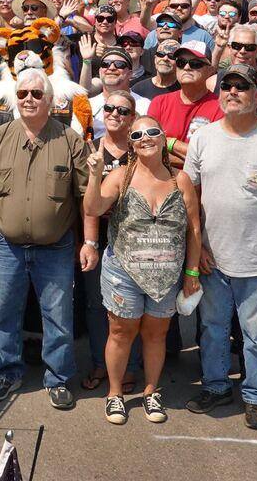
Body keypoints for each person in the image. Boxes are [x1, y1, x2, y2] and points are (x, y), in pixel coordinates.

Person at [182, 63, 257, 431]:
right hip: (212, 258)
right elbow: (191, 196)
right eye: (227, 86)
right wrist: (196, 248)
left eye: (241, 87)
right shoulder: (203, 138)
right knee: (213, 329)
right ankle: (217, 386)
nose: (233, 92)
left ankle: (255, 395)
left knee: (255, 336)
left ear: (255, 95)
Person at [0, 68, 91, 410]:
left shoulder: (70, 141)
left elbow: (85, 197)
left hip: (55, 249)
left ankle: (58, 378)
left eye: (36, 95)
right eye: (23, 94)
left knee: (57, 316)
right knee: (1, 313)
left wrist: (89, 242)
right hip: (6, 246)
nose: (28, 99)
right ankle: (7, 371)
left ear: (50, 101)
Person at [81, 116, 202, 425]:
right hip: (123, 273)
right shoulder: (121, 175)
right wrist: (94, 175)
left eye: (152, 132)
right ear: (132, 144)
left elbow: (194, 230)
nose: (145, 137)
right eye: (137, 134)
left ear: (163, 138)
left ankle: (151, 391)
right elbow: (93, 208)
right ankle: (115, 394)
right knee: (121, 332)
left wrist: (191, 273)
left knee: (155, 334)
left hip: (166, 275)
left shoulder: (181, 180)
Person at [77, 90, 143, 394]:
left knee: (131, 305)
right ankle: (100, 362)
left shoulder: (143, 150)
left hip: (135, 238)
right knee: (96, 303)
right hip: (99, 234)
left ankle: (130, 367)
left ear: (132, 118)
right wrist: (89, 241)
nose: (115, 114)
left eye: (123, 111)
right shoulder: (89, 150)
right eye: (109, 108)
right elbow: (86, 201)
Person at [147, 43, 222, 167]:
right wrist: (194, 159)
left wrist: (171, 143)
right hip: (161, 181)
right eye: (181, 63)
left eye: (195, 64)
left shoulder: (219, 108)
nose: (187, 67)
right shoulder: (159, 102)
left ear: (209, 70)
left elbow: (212, 157)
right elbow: (149, 150)